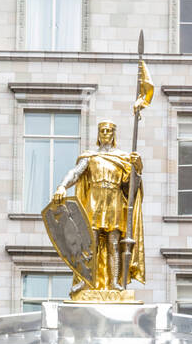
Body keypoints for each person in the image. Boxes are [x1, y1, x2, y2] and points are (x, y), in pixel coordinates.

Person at [52, 120, 145, 295]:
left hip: (114, 202)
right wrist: (62, 186)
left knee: (113, 244)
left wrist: (137, 169)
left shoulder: (123, 159)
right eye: (102, 131)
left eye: (109, 131)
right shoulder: (90, 157)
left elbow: (131, 187)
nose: (105, 134)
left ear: (113, 134)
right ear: (98, 134)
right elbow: (76, 173)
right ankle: (86, 281)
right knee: (90, 244)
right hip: (94, 202)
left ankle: (115, 283)